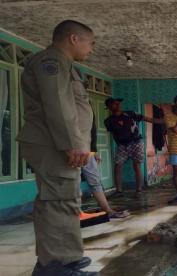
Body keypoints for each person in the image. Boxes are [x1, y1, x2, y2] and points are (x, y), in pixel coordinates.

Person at [17, 20, 97, 275]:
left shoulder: (64, 64)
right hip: (53, 143)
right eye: (90, 43)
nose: (91, 49)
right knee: (60, 200)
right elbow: (58, 104)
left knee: (62, 200)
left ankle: (65, 259)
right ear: (74, 38)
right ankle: (56, 266)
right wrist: (72, 144)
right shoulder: (51, 61)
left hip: (55, 144)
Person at [104, 98, 160, 197]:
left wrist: (164, 121)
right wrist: (120, 144)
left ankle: (139, 190)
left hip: (136, 142)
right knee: (118, 165)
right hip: (122, 145)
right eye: (114, 104)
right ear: (109, 107)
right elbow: (114, 134)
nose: (117, 105)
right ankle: (119, 191)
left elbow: (148, 119)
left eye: (118, 103)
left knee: (136, 165)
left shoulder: (130, 113)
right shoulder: (108, 121)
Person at [82, 112, 129, 218]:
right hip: (68, 148)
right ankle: (73, 213)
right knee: (70, 181)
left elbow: (91, 131)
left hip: (85, 148)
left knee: (94, 181)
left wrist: (93, 151)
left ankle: (108, 211)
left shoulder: (86, 105)